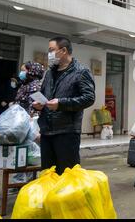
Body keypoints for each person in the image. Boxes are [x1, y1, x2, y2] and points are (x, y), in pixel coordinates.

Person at [33, 37, 95, 175]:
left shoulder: (81, 72)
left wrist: (61, 104)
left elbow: (89, 98)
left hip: (67, 132)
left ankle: (68, 198)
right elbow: (44, 95)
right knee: (48, 174)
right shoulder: (50, 73)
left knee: (67, 175)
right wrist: (39, 105)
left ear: (63, 50)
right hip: (47, 131)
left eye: (51, 50)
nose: (49, 54)